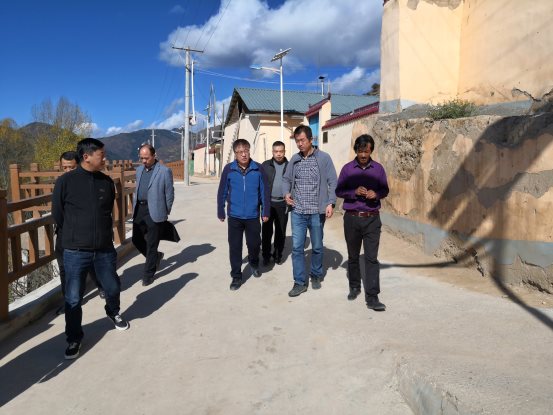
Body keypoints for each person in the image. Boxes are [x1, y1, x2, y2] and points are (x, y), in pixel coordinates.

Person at [52, 138, 129, 360]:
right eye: (101, 155)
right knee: (73, 298)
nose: (105, 158)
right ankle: (74, 338)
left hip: (103, 249)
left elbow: (107, 212)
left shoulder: (106, 182)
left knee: (112, 287)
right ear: (86, 157)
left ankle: (112, 312)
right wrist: (76, 235)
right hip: (75, 250)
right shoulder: (65, 182)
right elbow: (58, 214)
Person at [335, 134, 389, 311]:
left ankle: (372, 297)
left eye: (366, 151)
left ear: (371, 151)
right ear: (356, 151)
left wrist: (377, 194)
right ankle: (354, 287)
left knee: (371, 258)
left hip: (372, 219)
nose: (363, 155)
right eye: (360, 151)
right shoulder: (347, 169)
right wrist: (354, 192)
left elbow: (385, 189)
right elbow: (339, 191)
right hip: (351, 219)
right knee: (353, 256)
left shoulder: (378, 169)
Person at [283, 125, 337, 297]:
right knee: (297, 248)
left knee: (318, 246)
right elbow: (286, 179)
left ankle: (316, 274)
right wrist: (286, 193)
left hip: (316, 212)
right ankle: (299, 282)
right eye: (297, 141)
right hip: (298, 211)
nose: (299, 144)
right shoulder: (294, 159)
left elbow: (333, 181)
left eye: (302, 140)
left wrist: (331, 203)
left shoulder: (324, 158)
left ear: (311, 140)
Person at [217, 139, 270, 290]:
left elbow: (264, 191)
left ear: (249, 151)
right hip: (235, 215)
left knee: (254, 244)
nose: (243, 154)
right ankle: (236, 276)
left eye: (246, 151)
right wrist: (220, 210)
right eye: (240, 152)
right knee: (235, 246)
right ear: (235, 154)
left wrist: (265, 211)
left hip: (253, 215)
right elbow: (222, 191)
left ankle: (254, 262)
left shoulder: (258, 168)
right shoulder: (229, 169)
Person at [132, 144, 175, 286]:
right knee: (136, 239)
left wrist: (165, 211)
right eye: (141, 158)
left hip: (155, 211)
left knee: (152, 244)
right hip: (140, 209)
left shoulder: (164, 171)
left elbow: (169, 193)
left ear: (154, 156)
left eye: (146, 158)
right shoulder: (139, 170)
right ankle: (156, 257)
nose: (143, 161)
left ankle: (148, 274)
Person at [261, 141, 289, 266]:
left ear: (284, 152)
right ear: (272, 152)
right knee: (266, 232)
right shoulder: (265, 165)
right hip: (268, 204)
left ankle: (278, 255)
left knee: (280, 232)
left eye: (281, 151)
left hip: (283, 204)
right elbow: (260, 184)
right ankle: (266, 256)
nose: (278, 154)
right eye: (276, 151)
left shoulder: (290, 166)